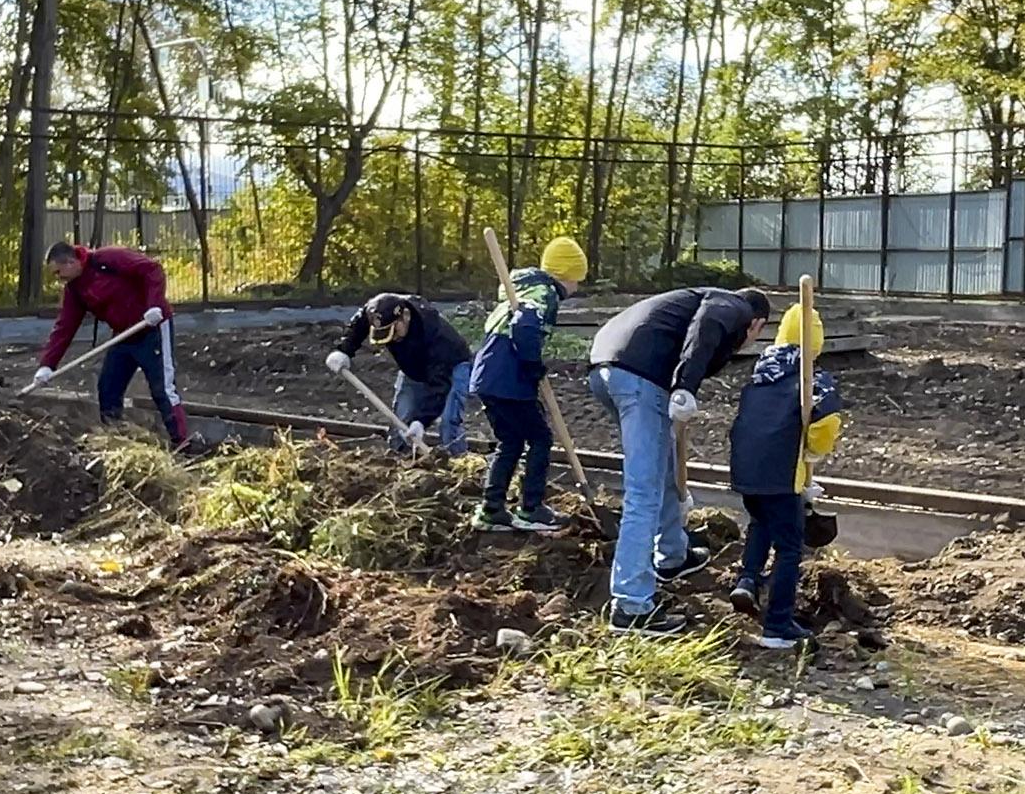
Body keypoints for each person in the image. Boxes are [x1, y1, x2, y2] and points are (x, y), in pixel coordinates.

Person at [588, 285, 774, 635]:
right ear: (758, 324)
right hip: (638, 377)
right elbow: (709, 321)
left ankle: (672, 555)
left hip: (606, 367)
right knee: (643, 493)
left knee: (662, 471)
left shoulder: (687, 302)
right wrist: (685, 385)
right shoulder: (732, 305)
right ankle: (631, 604)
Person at [727, 304, 842, 650]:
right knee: (790, 548)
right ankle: (777, 626)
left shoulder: (760, 374)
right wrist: (812, 453)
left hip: (747, 470)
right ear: (816, 343)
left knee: (760, 523)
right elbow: (825, 425)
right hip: (781, 475)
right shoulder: (813, 379)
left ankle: (747, 580)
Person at [469, 236, 589, 534]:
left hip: (488, 376)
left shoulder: (523, 289)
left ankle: (492, 509)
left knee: (510, 442)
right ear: (566, 275)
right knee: (540, 438)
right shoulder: (544, 293)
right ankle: (531, 508)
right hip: (509, 379)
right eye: (577, 280)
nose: (577, 287)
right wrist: (533, 367)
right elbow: (524, 327)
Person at [34, 241, 188, 446]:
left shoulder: (108, 259)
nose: (58, 278)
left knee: (163, 389)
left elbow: (152, 269)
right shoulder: (75, 290)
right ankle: (118, 441)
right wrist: (47, 364)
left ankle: (183, 444)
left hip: (153, 328)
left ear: (70, 262)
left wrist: (154, 305)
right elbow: (65, 326)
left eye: (58, 272)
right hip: (123, 336)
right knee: (108, 388)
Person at [325, 293, 473, 455]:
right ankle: (400, 460)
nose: (392, 339)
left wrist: (421, 421)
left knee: (448, 423)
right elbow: (360, 323)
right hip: (413, 369)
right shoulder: (378, 310)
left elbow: (439, 386)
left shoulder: (435, 336)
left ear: (406, 316)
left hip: (452, 367)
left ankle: (457, 462)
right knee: (400, 423)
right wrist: (344, 350)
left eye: (394, 332)